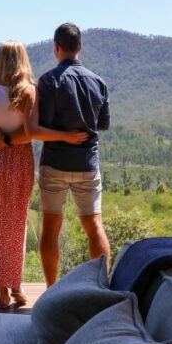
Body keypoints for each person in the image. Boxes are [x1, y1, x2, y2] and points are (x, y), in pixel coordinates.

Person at [0, 41, 88, 309]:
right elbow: (31, 132)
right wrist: (13, 141)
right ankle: (16, 286)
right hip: (20, 161)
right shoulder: (29, 92)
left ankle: (2, 291)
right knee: (16, 224)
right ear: (23, 61)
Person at [36, 23, 111, 287]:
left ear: (56, 47)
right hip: (87, 164)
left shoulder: (46, 81)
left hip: (54, 163)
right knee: (94, 226)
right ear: (80, 47)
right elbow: (102, 124)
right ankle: (101, 288)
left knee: (51, 227)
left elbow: (39, 126)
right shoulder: (98, 82)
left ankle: (50, 289)